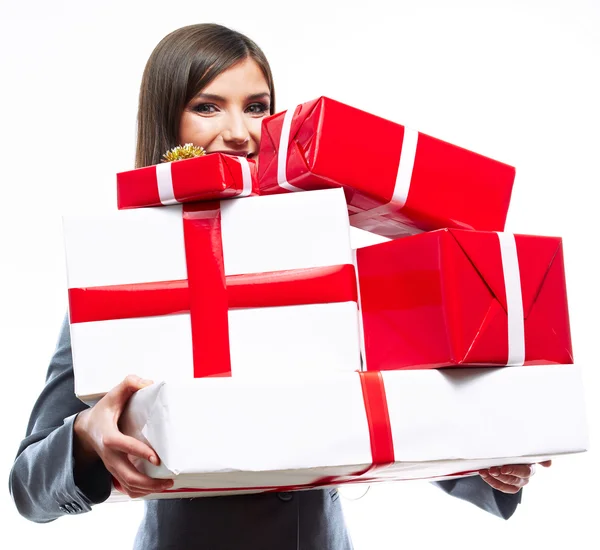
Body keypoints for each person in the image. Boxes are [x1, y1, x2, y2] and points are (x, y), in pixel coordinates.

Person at [8, 23, 549, 550]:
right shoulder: (122, 272)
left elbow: (394, 406)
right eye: (207, 106)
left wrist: (489, 460)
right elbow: (28, 488)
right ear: (166, 122)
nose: (240, 132)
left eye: (257, 106)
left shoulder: (325, 255)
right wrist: (84, 434)